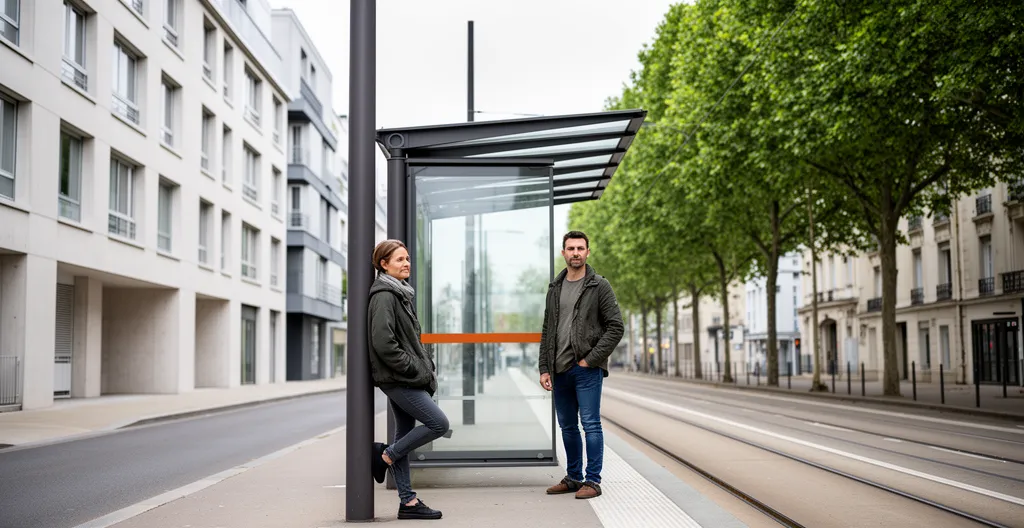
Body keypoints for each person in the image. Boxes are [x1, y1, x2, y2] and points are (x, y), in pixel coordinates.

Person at [538, 231, 624, 499]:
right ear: (563, 253)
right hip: (559, 369)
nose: (575, 252)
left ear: (588, 252)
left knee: (590, 424)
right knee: (567, 427)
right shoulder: (555, 288)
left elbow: (616, 327)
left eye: (580, 248)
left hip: (586, 369)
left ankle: (593, 481)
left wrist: (591, 360)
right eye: (570, 248)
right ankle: (574, 477)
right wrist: (544, 367)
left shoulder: (599, 286)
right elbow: (547, 330)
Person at [367, 239, 450, 520]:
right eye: (399, 259)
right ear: (384, 264)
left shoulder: (400, 293)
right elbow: (383, 342)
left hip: (404, 377)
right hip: (399, 379)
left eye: (407, 258)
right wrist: (414, 368)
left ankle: (408, 502)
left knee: (404, 433)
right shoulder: (385, 296)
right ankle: (385, 456)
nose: (406, 263)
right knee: (438, 423)